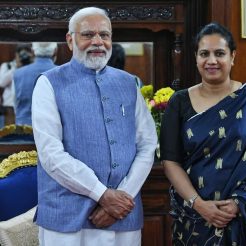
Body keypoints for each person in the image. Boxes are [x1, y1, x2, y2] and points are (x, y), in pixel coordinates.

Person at [31, 6, 157, 246]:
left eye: (105, 35)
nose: (98, 41)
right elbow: (50, 154)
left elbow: (147, 143)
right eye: (88, 34)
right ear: (70, 40)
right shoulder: (48, 83)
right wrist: (102, 194)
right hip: (66, 218)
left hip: (122, 215)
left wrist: (123, 197)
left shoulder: (129, 83)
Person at [160, 22, 246, 245]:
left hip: (245, 217)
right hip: (195, 219)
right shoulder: (179, 102)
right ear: (196, 57)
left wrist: (238, 204)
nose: (212, 61)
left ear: (233, 56)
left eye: (220, 53)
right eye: (204, 53)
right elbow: (170, 160)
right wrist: (199, 204)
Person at [13, 42, 57, 125]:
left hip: (24, 128)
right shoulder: (63, 74)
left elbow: (15, 103)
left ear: (33, 51)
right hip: (51, 127)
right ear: (55, 51)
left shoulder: (18, 73)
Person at [0, 43, 33, 126]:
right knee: (9, 133)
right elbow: (2, 83)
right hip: (9, 106)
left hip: (27, 106)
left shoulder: (32, 67)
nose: (24, 56)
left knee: (26, 133)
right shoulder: (7, 66)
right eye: (21, 54)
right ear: (16, 55)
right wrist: (16, 68)